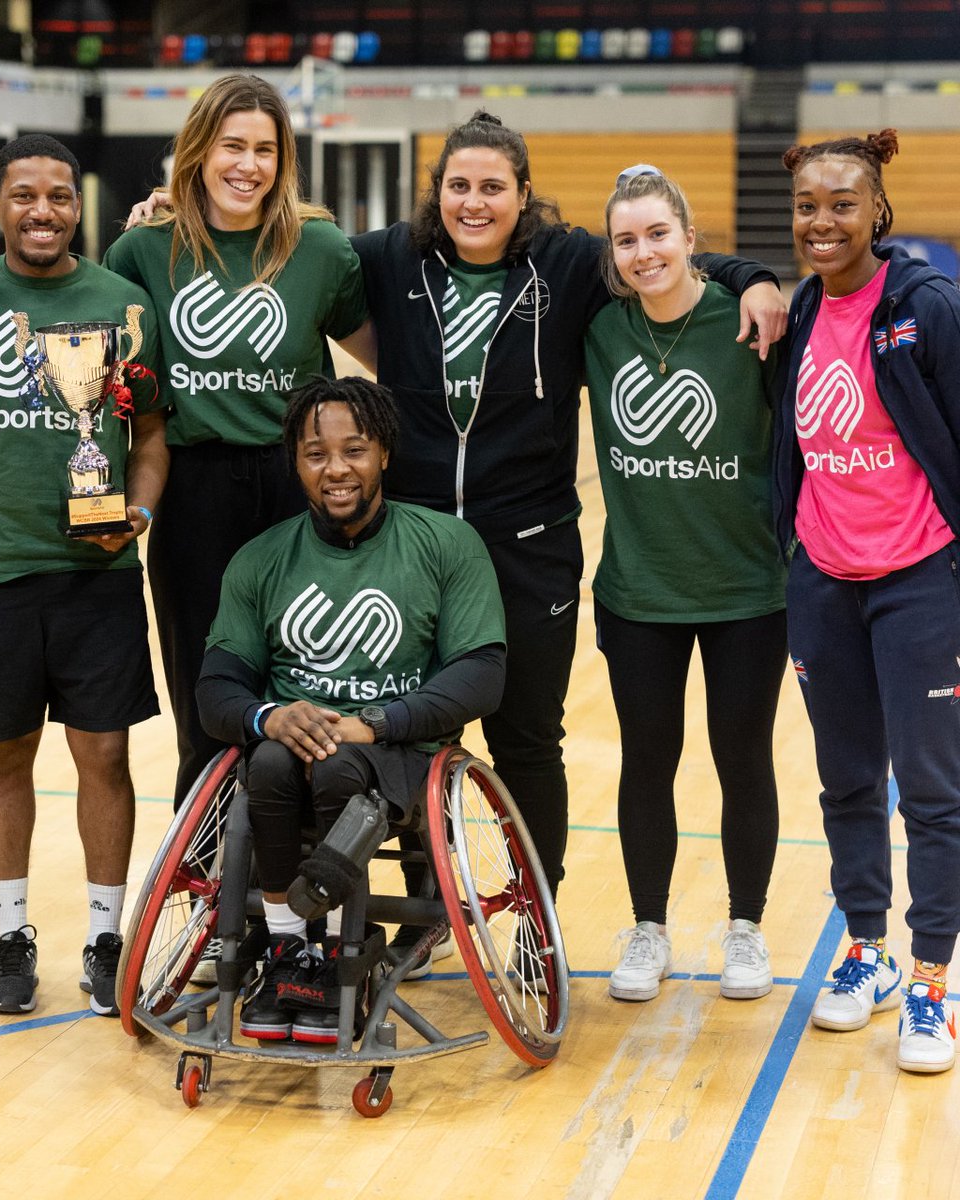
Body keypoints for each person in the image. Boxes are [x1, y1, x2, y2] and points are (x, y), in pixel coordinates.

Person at [348, 112, 786, 925]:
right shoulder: (388, 258)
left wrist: (754, 273)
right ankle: (425, 907)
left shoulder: (572, 262)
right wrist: (173, 210)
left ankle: (530, 918)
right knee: (405, 732)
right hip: (413, 547)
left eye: (493, 187)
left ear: (524, 196)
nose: (474, 203)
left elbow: (667, 256)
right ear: (435, 192)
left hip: (530, 545)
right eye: (458, 186)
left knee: (527, 740)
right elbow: (297, 250)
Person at [0, 74, 373, 819]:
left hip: (297, 489)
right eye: (232, 145)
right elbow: (68, 295)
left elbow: (386, 360)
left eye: (265, 149)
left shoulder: (321, 248)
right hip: (196, 488)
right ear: (198, 150)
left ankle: (306, 887)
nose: (248, 164)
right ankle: (207, 892)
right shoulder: (142, 250)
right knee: (209, 695)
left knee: (313, 684)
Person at [0, 133, 166, 1019]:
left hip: (96, 571)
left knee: (105, 753)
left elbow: (149, 438)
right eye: (24, 196)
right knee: (6, 754)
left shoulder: (125, 304)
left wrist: (134, 515)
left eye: (60, 196)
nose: (43, 211)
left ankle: (107, 939)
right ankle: (13, 934)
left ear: (77, 207)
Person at [195, 376, 506, 1041]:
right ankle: (288, 951)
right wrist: (267, 716)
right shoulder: (261, 559)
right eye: (315, 454)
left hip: (399, 752)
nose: (336, 469)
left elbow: (481, 676)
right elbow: (216, 690)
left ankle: (341, 950)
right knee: (273, 762)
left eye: (354, 450)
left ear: (384, 453)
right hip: (293, 755)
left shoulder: (447, 545)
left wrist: (378, 722)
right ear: (296, 463)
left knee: (339, 770)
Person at [776, 129, 960, 1074]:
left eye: (842, 203)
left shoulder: (926, 306)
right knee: (847, 779)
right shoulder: (800, 310)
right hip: (823, 580)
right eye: (808, 205)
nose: (823, 221)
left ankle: (931, 979)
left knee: (931, 791)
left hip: (919, 578)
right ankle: (867, 950)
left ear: (876, 209)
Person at [583, 166, 787, 1003]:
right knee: (647, 760)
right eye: (626, 240)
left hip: (748, 589)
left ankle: (745, 926)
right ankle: (649, 928)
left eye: (658, 234)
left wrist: (758, 278)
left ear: (691, 239)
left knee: (743, 761)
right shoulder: (596, 331)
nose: (643, 253)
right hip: (640, 592)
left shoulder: (752, 324)